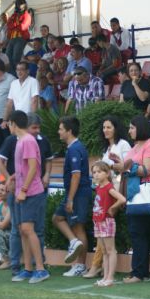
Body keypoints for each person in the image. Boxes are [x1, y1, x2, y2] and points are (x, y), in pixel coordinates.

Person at [0, 113, 53, 276]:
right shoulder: (22, 141)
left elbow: (34, 168)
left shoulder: (27, 140)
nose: (8, 127)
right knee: (22, 229)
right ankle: (28, 269)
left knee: (28, 229)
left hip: (31, 192)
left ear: (13, 124)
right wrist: (13, 177)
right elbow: (26, 168)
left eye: (9, 124)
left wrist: (23, 190)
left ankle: (40, 269)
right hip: (23, 191)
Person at [81, 115, 132, 279]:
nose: (105, 130)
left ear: (116, 128)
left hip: (115, 189)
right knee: (102, 234)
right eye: (104, 127)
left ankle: (98, 268)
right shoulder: (106, 149)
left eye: (109, 127)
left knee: (106, 233)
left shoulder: (123, 144)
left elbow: (126, 166)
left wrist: (112, 164)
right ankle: (103, 269)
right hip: (104, 192)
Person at [121, 116, 150, 283]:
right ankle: (138, 271)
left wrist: (126, 167)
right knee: (136, 233)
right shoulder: (135, 146)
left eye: (132, 127)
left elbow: (146, 170)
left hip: (145, 192)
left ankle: (139, 272)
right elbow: (128, 168)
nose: (129, 131)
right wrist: (121, 165)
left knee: (139, 232)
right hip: (133, 193)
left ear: (140, 127)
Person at [52, 116, 92, 278]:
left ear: (69, 131)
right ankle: (73, 241)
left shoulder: (75, 149)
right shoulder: (73, 148)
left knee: (78, 227)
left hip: (78, 194)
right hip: (74, 193)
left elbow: (76, 176)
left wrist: (70, 199)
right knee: (57, 218)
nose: (58, 132)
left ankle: (81, 266)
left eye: (61, 129)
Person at [91, 161, 127, 287]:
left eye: (99, 172)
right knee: (104, 251)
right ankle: (105, 277)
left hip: (106, 220)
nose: (96, 175)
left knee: (110, 250)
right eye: (94, 172)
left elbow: (122, 199)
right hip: (98, 220)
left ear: (107, 173)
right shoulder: (99, 187)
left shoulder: (108, 187)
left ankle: (110, 277)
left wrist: (112, 208)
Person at [2, 61, 39, 128]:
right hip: (18, 119)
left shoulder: (33, 81)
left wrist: (33, 119)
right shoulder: (13, 83)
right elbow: (9, 103)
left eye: (22, 69)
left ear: (27, 71)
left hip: (29, 118)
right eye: (17, 70)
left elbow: (35, 101)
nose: (19, 72)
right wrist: (5, 120)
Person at [6, 0, 32, 72]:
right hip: (12, 38)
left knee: (15, 58)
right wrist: (15, 25)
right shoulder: (14, 15)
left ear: (24, 5)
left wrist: (13, 26)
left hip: (21, 38)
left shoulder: (27, 15)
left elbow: (23, 27)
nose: (19, 5)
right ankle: (12, 73)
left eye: (21, 3)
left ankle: (17, 74)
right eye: (18, 4)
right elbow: (8, 25)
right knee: (8, 57)